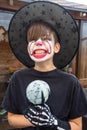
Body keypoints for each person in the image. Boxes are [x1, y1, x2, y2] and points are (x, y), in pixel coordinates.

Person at [2, 1, 87, 130]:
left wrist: (52, 122)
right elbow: (12, 119)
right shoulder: (18, 78)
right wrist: (32, 119)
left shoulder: (71, 83)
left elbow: (77, 126)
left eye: (45, 38)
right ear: (28, 47)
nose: (38, 43)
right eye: (32, 40)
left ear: (56, 47)